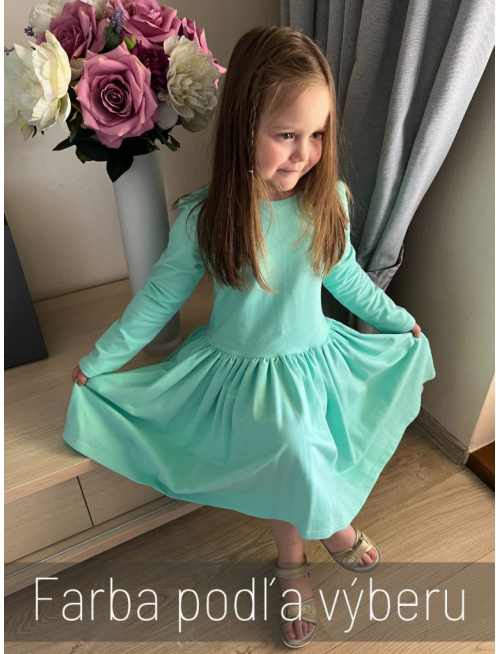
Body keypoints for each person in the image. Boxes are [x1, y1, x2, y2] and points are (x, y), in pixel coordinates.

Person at [64, 25, 436, 648]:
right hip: (241, 372)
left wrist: (399, 321)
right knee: (289, 446)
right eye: (286, 135)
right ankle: (325, 536)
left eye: (317, 134)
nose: (303, 153)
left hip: (314, 360)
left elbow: (347, 278)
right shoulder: (207, 217)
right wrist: (101, 360)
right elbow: (158, 299)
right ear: (244, 127)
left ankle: (293, 561)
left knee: (298, 448)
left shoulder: (329, 200)